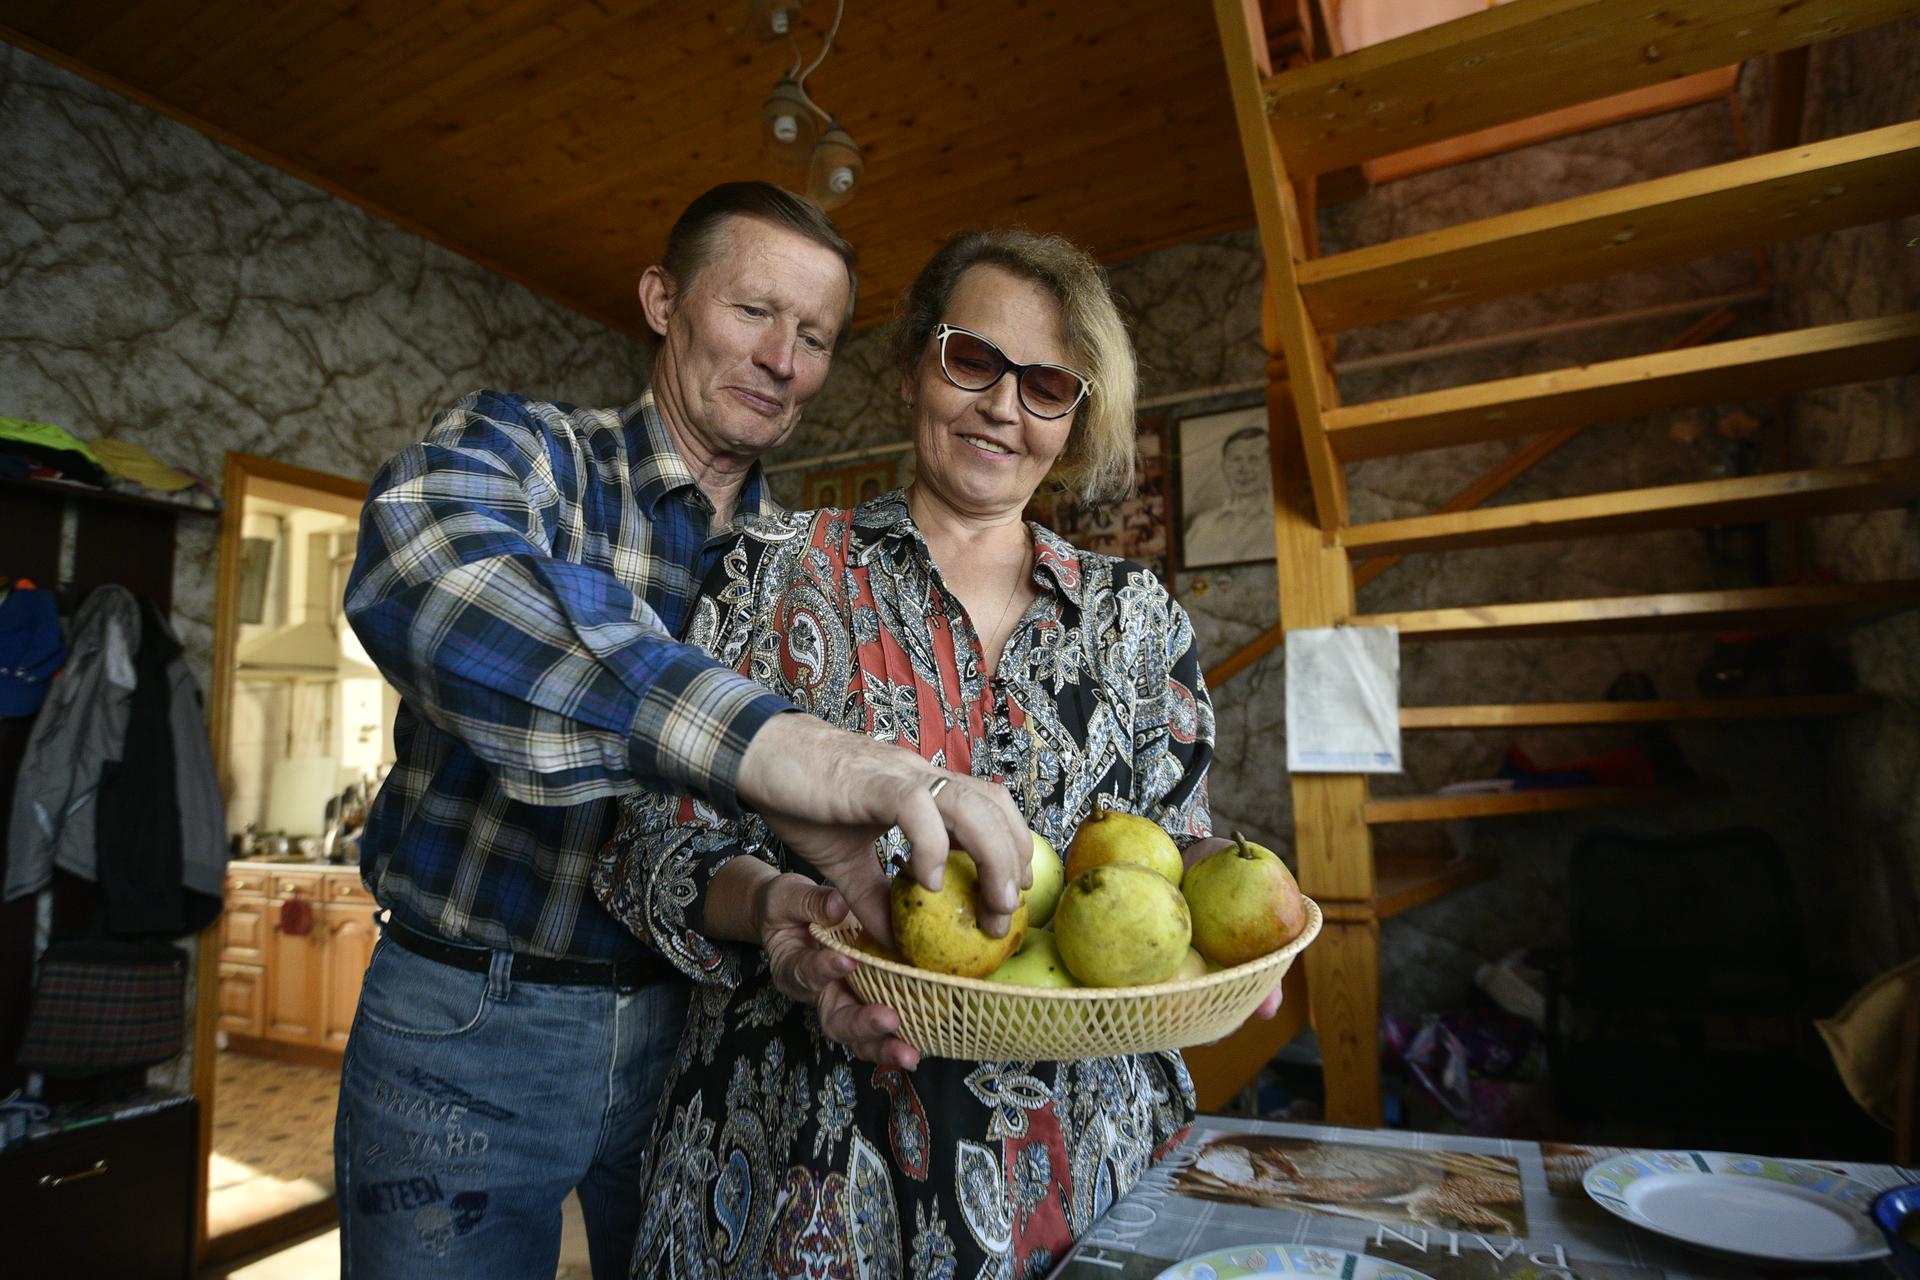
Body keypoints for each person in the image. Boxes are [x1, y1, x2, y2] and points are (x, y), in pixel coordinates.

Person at [333, 183, 1032, 1280]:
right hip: (469, 1016)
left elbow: (777, 839)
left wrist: (798, 909)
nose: (784, 360)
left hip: (697, 1028)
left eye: (815, 336)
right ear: (663, 299)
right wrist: (781, 742)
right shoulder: (529, 453)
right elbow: (425, 574)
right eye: (756, 311)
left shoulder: (808, 564)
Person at [597, 229, 1277, 1276]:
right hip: (800, 1160)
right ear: (914, 364)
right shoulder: (774, 572)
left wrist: (1240, 933)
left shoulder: (1140, 620)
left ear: (1075, 414)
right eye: (974, 359)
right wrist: (781, 918)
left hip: (1082, 1164)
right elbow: (644, 844)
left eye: (1048, 383)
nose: (1005, 405)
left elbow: (1173, 850)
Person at [1182, 423, 1275, 565]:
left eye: (1253, 459)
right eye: (1236, 460)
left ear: (1270, 465)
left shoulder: (1283, 523)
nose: (1243, 469)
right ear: (1224, 466)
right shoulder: (1203, 526)